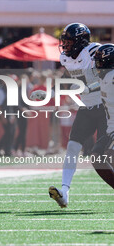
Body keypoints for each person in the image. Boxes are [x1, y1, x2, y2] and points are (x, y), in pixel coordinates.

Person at [31, 23, 106, 208]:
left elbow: (107, 77)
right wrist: (49, 93)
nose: (65, 45)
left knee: (105, 155)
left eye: (69, 41)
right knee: (72, 147)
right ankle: (64, 193)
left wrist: (90, 87)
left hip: (106, 107)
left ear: (81, 41)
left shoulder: (94, 52)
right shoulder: (66, 57)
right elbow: (66, 78)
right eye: (64, 41)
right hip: (87, 107)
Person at [87, 43, 114, 189]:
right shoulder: (105, 77)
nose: (96, 65)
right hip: (110, 129)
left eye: (99, 62)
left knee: (110, 155)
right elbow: (99, 83)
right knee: (97, 158)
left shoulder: (112, 75)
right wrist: (86, 89)